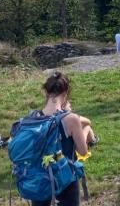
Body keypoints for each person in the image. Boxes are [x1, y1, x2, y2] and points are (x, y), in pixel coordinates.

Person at [33, 72, 97, 206]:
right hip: (65, 180)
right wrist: (85, 130)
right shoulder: (70, 119)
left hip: (39, 182)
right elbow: (83, 151)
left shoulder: (34, 118)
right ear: (66, 93)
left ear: (46, 92)